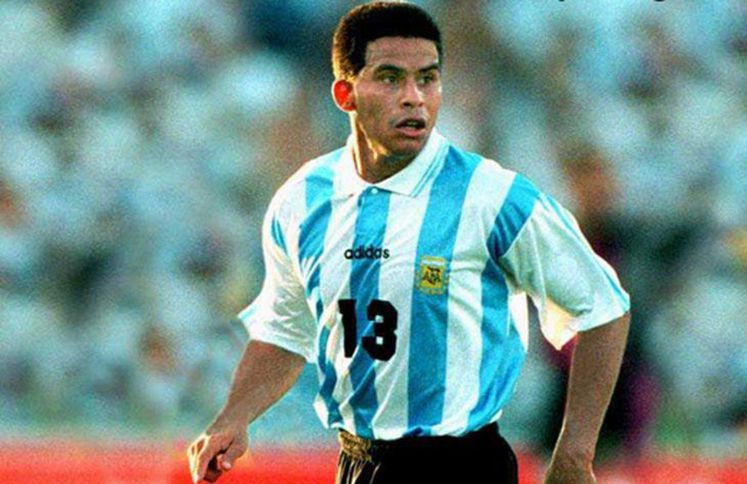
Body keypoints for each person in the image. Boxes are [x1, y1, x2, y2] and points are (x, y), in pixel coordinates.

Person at [186, 3, 630, 483]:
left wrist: (574, 454)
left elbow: (604, 307)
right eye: (390, 78)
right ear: (345, 94)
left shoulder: (493, 196)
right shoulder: (302, 201)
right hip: (358, 462)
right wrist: (233, 417)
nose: (414, 98)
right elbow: (285, 332)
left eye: (427, 79)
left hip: (464, 466)